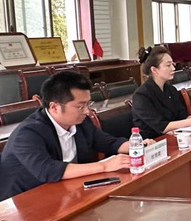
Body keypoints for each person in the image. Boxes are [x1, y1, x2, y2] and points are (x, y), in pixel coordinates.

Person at [0, 72, 154, 200]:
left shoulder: (80, 122)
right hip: (25, 202)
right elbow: (48, 170)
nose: (87, 111)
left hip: (66, 192)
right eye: (80, 106)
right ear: (54, 107)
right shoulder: (28, 133)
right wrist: (105, 165)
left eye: (88, 104)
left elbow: (107, 142)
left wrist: (138, 145)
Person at [131, 46, 191, 139]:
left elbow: (182, 118)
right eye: (168, 65)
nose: (173, 68)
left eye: (173, 64)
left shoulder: (171, 90)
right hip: (153, 142)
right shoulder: (141, 96)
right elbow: (162, 127)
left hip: (174, 137)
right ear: (154, 70)